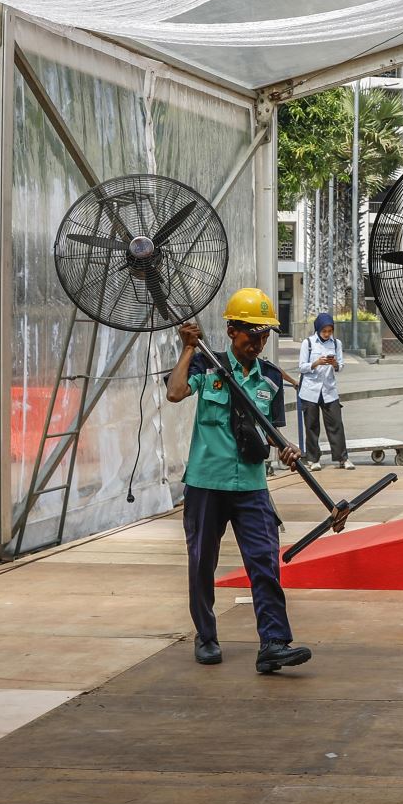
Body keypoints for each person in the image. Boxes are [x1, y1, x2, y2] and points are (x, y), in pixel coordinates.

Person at [164, 287, 311, 675]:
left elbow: (273, 436)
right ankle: (207, 636)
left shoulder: (271, 379)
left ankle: (274, 644)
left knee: (264, 563)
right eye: (250, 334)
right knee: (201, 563)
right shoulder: (207, 366)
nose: (257, 343)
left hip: (250, 486)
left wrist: (288, 449)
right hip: (206, 484)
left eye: (264, 336)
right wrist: (188, 349)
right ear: (231, 331)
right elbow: (175, 392)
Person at [298, 313, 353, 469]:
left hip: (329, 390)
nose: (327, 334)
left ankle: (342, 458)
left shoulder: (336, 344)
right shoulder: (307, 343)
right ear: (318, 329)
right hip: (310, 390)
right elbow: (301, 366)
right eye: (325, 331)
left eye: (330, 331)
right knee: (311, 425)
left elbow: (340, 366)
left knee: (336, 423)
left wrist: (334, 363)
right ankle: (313, 459)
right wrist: (315, 363)